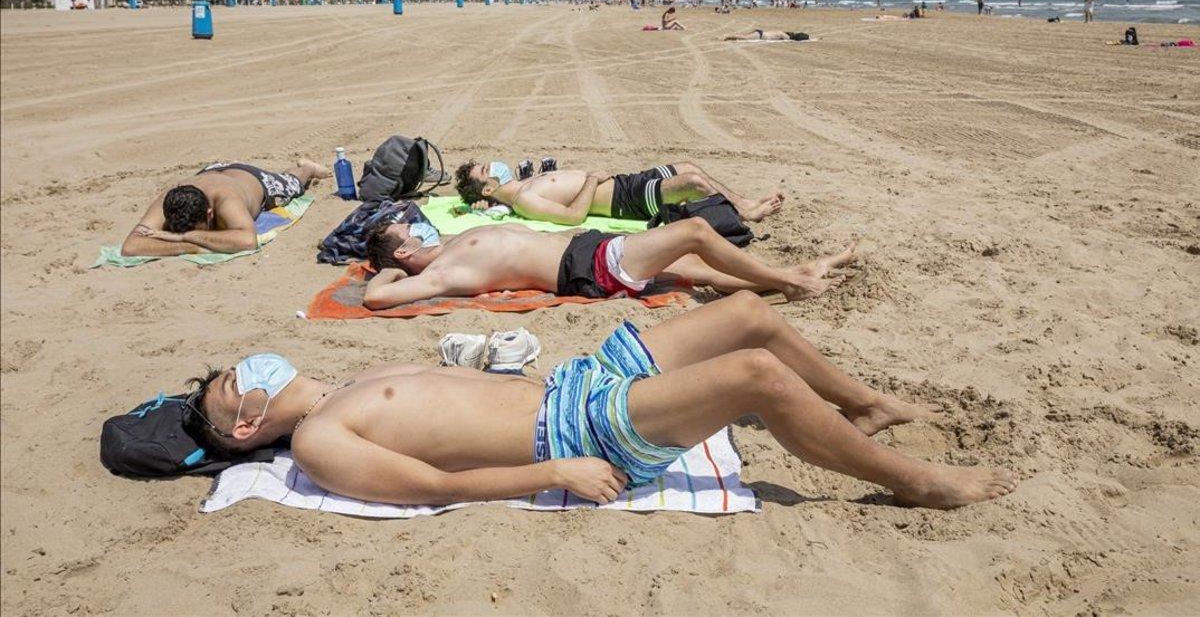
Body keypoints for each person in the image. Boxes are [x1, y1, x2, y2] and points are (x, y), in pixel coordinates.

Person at [181, 292, 1019, 509]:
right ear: (248, 423)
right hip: (575, 426)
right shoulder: (322, 440)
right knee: (756, 374)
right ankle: (913, 479)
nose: (246, 366)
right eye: (233, 383)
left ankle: (864, 406)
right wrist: (556, 471)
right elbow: (433, 486)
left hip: (576, 378)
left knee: (747, 317)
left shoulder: (345, 384)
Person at [361, 218, 854, 309]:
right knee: (696, 235)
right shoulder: (442, 272)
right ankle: (792, 282)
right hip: (590, 268)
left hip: (591, 250)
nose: (416, 225)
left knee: (693, 265)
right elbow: (377, 296)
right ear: (403, 252)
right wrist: (392, 269)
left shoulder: (451, 245)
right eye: (407, 232)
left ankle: (793, 275)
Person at [453, 159, 784, 224]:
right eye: (485, 170)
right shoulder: (524, 201)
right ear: (488, 186)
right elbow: (572, 217)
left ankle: (744, 203)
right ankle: (742, 213)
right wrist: (592, 182)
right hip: (625, 202)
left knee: (689, 167)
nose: (493, 164)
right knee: (694, 185)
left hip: (624, 183)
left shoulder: (524, 185)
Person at [120, 160, 329, 256]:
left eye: (198, 228)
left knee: (293, 183)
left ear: (210, 213)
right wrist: (184, 246)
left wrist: (187, 237)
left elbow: (248, 241)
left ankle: (307, 167)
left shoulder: (226, 200)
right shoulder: (170, 199)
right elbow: (130, 246)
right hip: (210, 171)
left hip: (253, 180)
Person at [722, 29, 810, 42]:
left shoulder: (782, 32)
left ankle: (728, 36)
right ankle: (727, 36)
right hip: (761, 35)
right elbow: (789, 41)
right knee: (743, 37)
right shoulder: (785, 36)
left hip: (761, 32)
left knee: (742, 36)